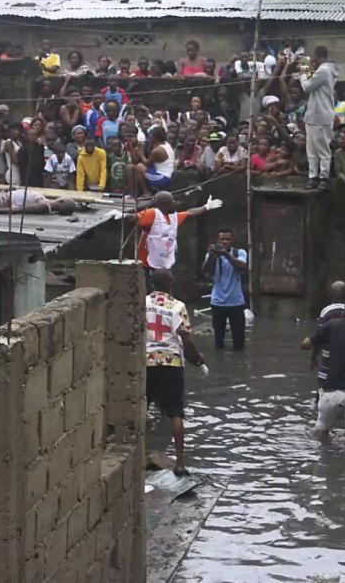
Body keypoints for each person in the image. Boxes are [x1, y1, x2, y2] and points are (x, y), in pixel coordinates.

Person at [145, 269, 208, 476]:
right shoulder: (177, 307)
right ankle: (180, 464)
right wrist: (198, 360)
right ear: (171, 284)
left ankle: (136, 456)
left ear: (151, 283)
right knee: (176, 413)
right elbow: (186, 340)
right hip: (171, 363)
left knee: (140, 409)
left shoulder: (141, 303)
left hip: (146, 361)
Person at [300, 299, 345, 442]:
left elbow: (306, 344)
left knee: (319, 433)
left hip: (331, 393)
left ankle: (323, 460)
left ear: (343, 313)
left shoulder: (332, 325)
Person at [114, 191, 223, 270]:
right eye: (172, 201)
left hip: (165, 263)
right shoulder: (153, 214)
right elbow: (137, 217)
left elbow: (190, 213)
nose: (174, 203)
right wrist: (124, 215)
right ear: (164, 204)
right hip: (148, 264)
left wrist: (206, 207)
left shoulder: (173, 217)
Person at [202, 228, 248, 351]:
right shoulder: (212, 254)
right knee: (218, 341)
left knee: (239, 341)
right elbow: (205, 272)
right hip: (218, 303)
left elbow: (242, 266)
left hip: (236, 303)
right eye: (222, 239)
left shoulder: (240, 253)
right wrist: (212, 257)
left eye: (227, 239)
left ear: (232, 240)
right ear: (218, 240)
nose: (225, 242)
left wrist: (227, 255)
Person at [300, 46, 337, 191]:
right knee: (312, 150)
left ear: (318, 55)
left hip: (321, 114)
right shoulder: (324, 70)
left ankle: (323, 177)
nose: (312, 59)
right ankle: (313, 177)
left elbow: (307, 87)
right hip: (313, 114)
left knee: (323, 149)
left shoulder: (325, 70)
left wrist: (303, 74)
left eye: (313, 57)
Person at [310, 281, 345, 391]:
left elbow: (319, 337)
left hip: (328, 360)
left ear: (331, 295)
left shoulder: (326, 312)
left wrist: (313, 357)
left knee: (322, 391)